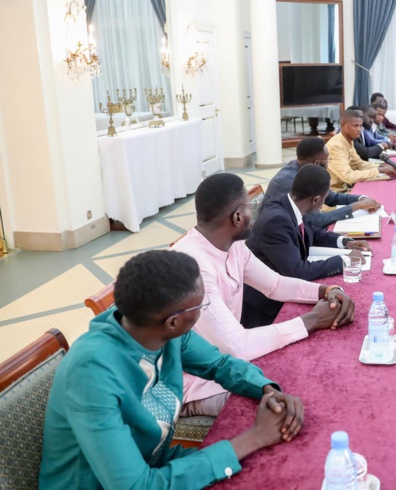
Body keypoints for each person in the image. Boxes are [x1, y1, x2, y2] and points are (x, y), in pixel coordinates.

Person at [40, 250, 305, 488]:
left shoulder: (159, 332)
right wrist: (255, 437)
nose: (203, 310)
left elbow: (219, 364)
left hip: (155, 465)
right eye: (201, 305)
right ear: (173, 321)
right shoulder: (91, 373)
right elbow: (136, 486)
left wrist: (266, 390)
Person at [171, 173, 355, 416]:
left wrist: (325, 291)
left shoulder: (233, 245)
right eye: (251, 206)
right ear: (237, 217)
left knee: (306, 372)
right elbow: (237, 346)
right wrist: (311, 320)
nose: (253, 213)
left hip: (233, 363)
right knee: (289, 400)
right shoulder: (192, 266)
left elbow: (275, 284)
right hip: (200, 383)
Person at [245, 165, 371, 323]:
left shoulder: (293, 204)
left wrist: (345, 242)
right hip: (264, 308)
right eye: (325, 199)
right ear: (316, 200)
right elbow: (298, 271)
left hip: (283, 288)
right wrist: (345, 260)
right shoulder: (276, 221)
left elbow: (312, 233)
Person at [264, 137, 381, 229]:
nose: (328, 163)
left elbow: (330, 197)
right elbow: (316, 221)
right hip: (281, 237)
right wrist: (357, 206)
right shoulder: (291, 181)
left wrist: (362, 199)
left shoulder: (303, 168)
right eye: (328, 160)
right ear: (317, 162)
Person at [327, 109, 396, 193]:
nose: (359, 129)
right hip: (335, 195)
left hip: (346, 190)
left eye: (360, 126)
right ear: (342, 125)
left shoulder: (349, 141)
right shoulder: (336, 146)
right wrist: (379, 171)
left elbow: (359, 164)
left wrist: (380, 167)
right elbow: (348, 176)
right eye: (355, 126)